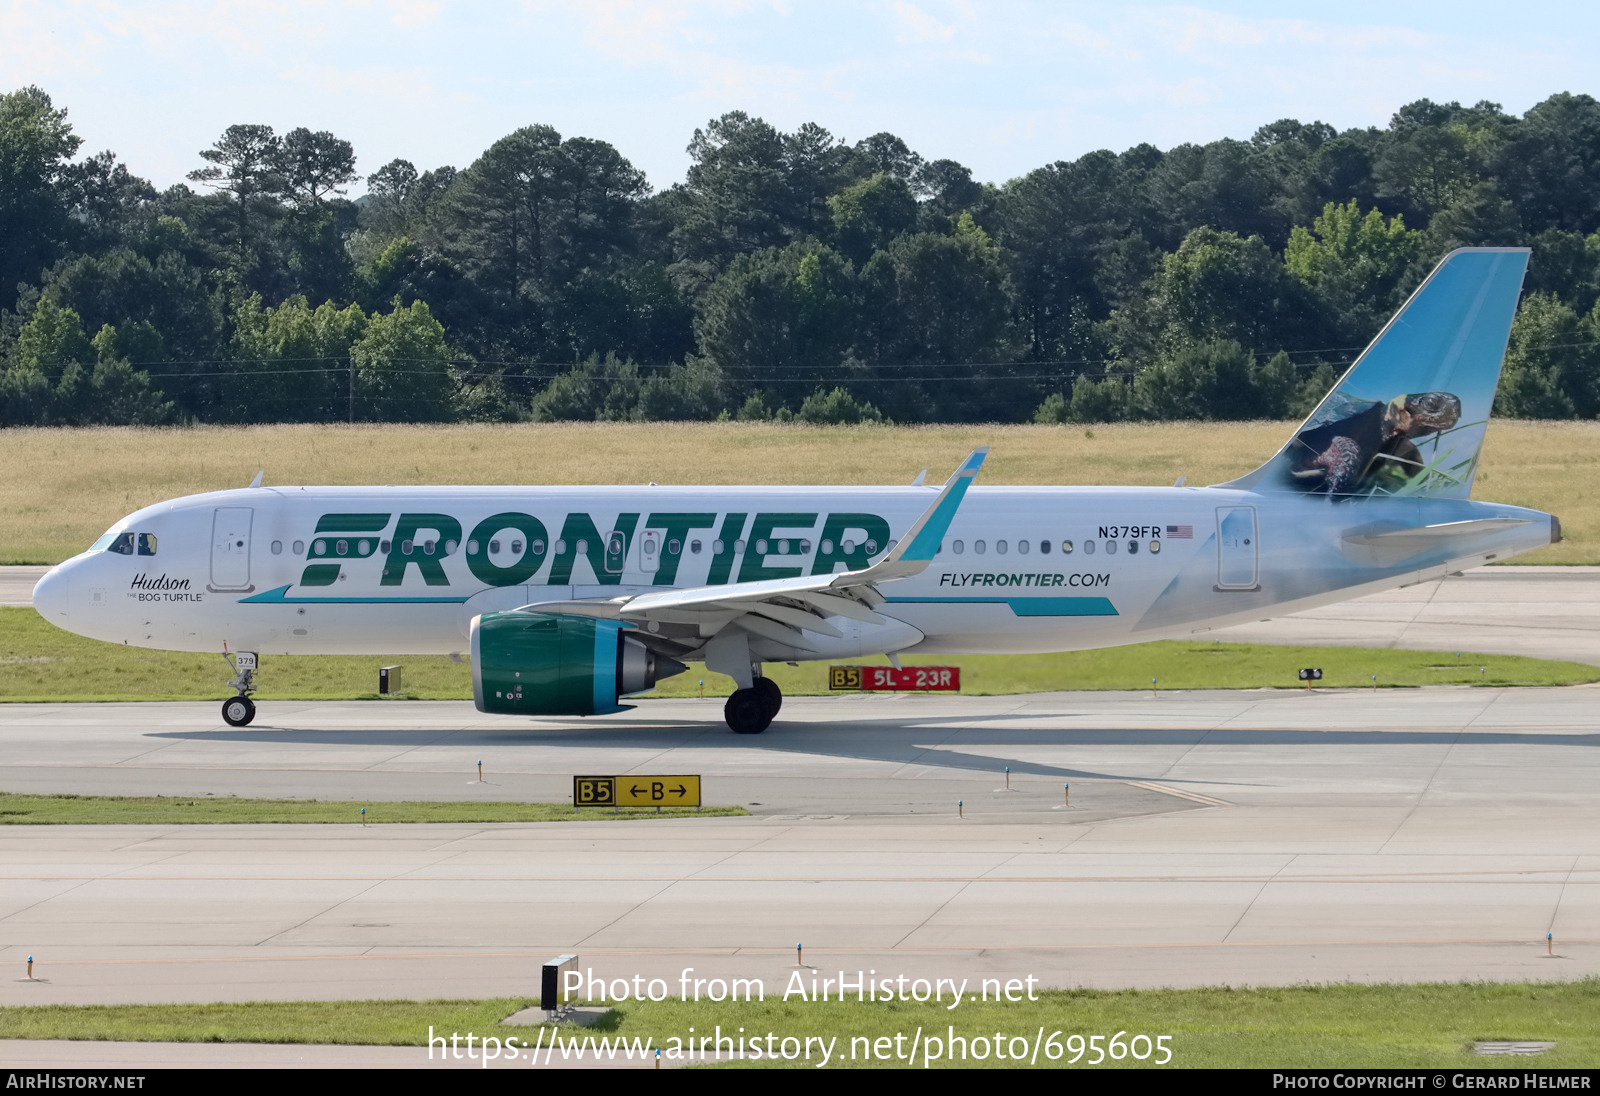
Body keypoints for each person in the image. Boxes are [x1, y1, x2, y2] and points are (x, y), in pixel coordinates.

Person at [1285, 391, 1461, 496]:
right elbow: (1344, 449)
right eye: (1430, 404)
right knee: (1348, 454)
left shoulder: (1405, 448)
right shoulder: (1351, 435)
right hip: (1309, 449)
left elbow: (1422, 483)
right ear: (1397, 407)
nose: (1449, 410)